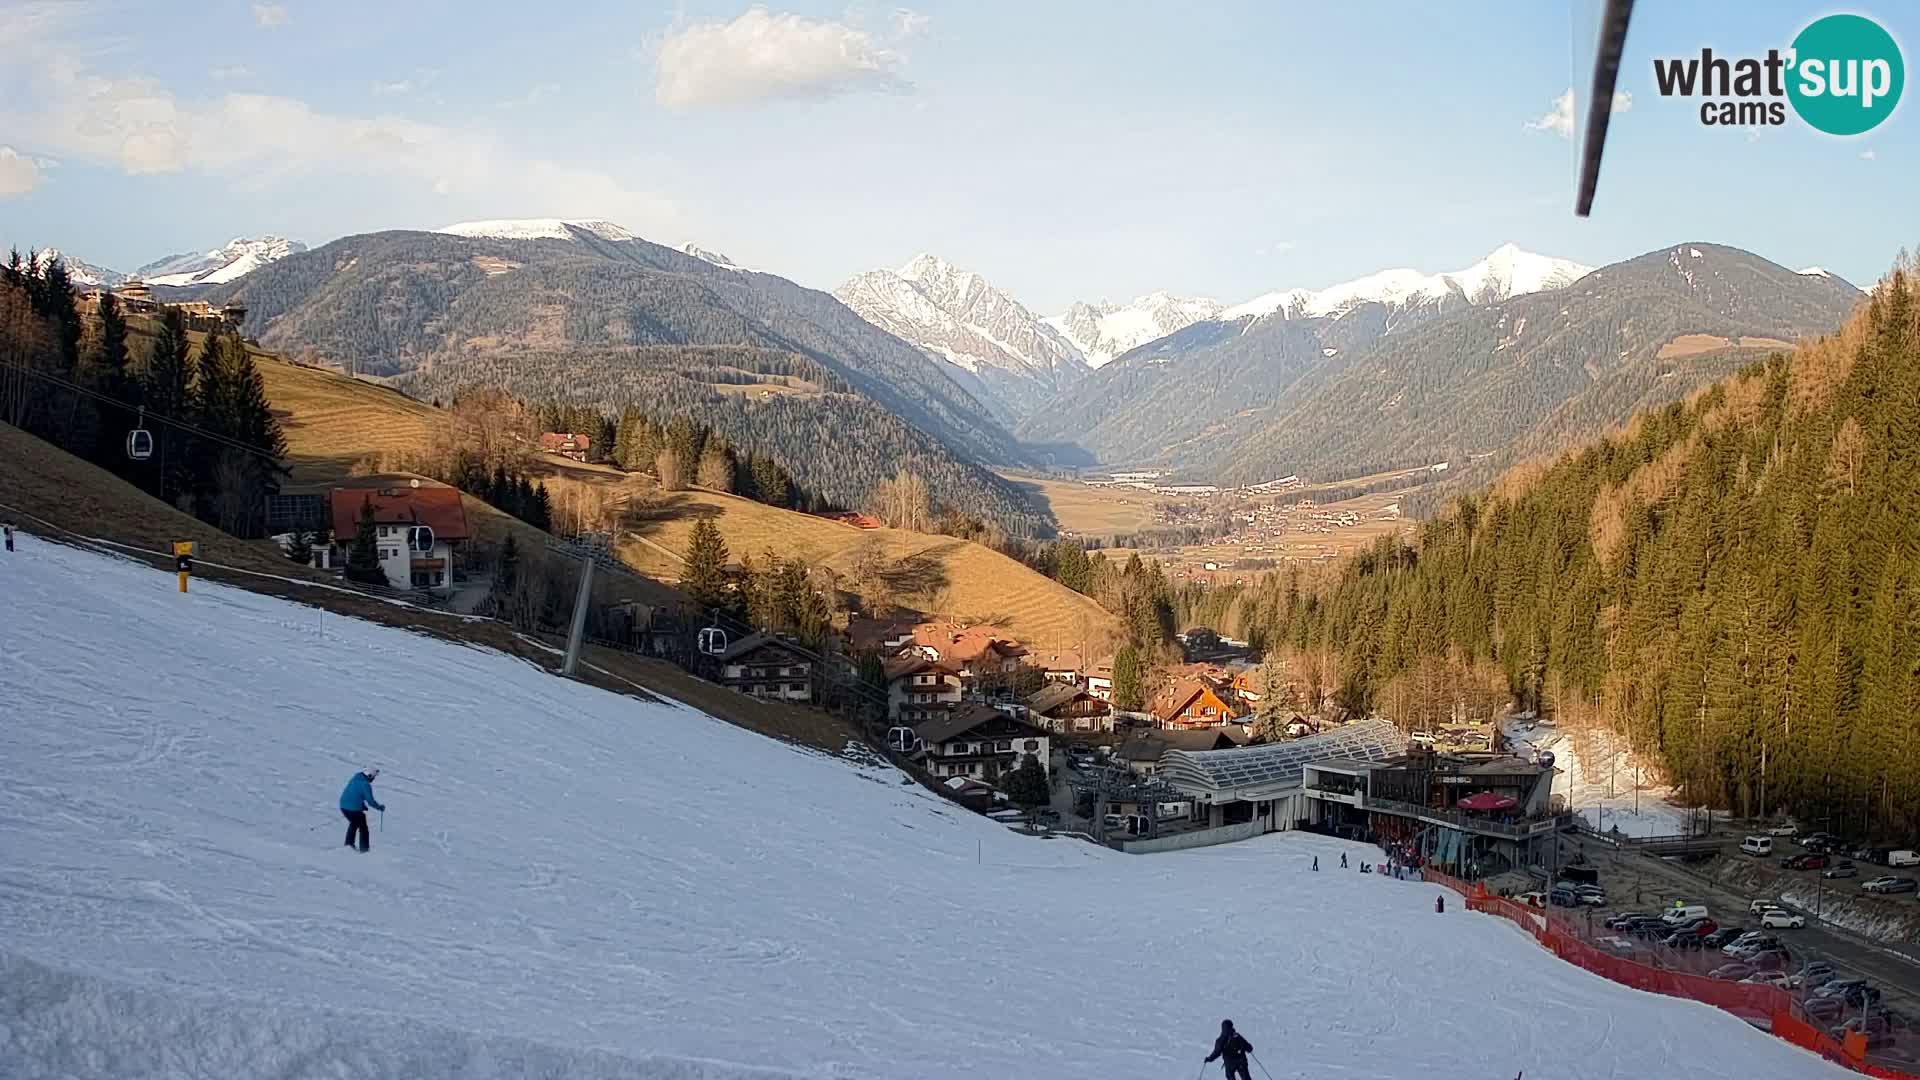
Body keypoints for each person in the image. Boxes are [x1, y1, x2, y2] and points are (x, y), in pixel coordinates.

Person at [339, 767, 386, 853]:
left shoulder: (356, 778)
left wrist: (361, 805)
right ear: (369, 776)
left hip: (343, 806)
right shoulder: (365, 785)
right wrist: (380, 807)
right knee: (363, 827)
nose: (373, 779)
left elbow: (355, 793)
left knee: (354, 823)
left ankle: (349, 844)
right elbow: (371, 801)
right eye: (373, 777)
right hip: (353, 809)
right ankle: (364, 849)